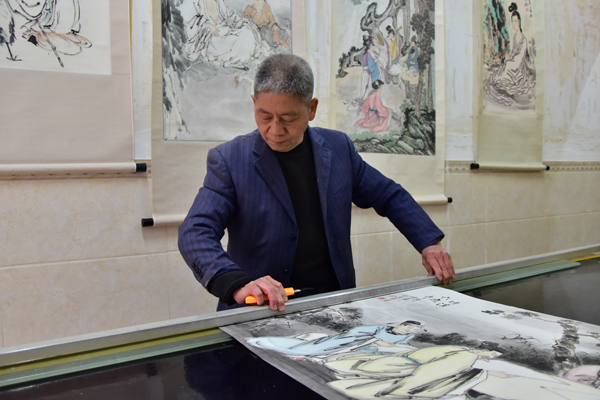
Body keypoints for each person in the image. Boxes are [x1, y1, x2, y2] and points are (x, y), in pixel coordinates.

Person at [178, 54, 454, 312]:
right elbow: (195, 231)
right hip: (260, 312)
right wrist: (236, 283)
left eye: (288, 118)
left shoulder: (338, 148)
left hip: (334, 307)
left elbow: (387, 195)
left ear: (311, 109)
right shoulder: (230, 159)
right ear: (254, 103)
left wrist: (428, 242)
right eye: (265, 116)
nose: (275, 130)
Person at [246, 321, 423, 359]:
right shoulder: (380, 328)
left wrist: (429, 242)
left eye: (411, 330)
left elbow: (398, 347)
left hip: (333, 283)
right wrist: (232, 279)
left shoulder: (406, 337)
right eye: (407, 326)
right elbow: (357, 333)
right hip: (261, 294)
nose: (407, 330)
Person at [182, 0, 267, 69]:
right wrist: (209, 25)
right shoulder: (196, 2)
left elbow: (230, 16)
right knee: (235, 41)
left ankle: (236, 60)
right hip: (210, 38)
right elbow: (191, 22)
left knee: (247, 33)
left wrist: (244, 23)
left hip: (225, 32)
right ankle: (232, 61)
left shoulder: (219, 2)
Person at [483, 2, 535, 108]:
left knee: (507, 68)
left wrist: (510, 61)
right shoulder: (515, 36)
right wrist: (509, 57)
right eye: (513, 21)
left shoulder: (524, 40)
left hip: (519, 67)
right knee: (501, 71)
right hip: (513, 62)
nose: (514, 24)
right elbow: (514, 53)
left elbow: (519, 58)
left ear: (519, 22)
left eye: (516, 21)